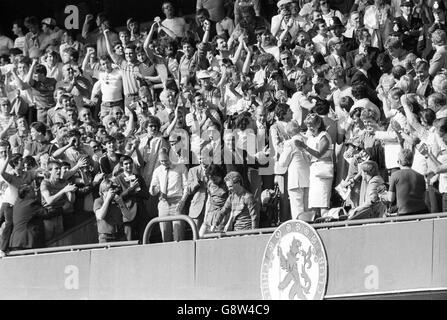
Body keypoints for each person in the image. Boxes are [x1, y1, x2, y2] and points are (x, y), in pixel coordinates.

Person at [295, 113, 334, 218]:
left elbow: (319, 153)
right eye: (308, 126)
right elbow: (309, 158)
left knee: (323, 201)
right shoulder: (311, 138)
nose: (310, 128)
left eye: (312, 125)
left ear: (318, 124)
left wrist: (304, 146)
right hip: (314, 170)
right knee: (313, 202)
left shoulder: (324, 136)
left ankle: (326, 223)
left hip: (323, 170)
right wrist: (302, 149)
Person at [149, 148, 188, 242]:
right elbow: (153, 190)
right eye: (161, 161)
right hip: (164, 203)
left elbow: (186, 186)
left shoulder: (181, 167)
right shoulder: (157, 171)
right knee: (165, 234)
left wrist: (183, 201)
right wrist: (153, 189)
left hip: (177, 202)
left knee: (178, 235)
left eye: (166, 160)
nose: (164, 163)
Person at [277, 120, 310, 220]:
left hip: (296, 180)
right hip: (308, 178)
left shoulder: (289, 143)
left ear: (288, 133)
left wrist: (281, 151)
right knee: (307, 208)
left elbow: (282, 163)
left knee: (297, 210)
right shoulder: (307, 139)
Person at [387, 149, 429, 215]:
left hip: (404, 213)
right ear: (412, 161)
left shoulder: (395, 175)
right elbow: (424, 197)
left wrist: (384, 196)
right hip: (421, 212)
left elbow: (391, 198)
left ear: (399, 161)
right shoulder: (420, 176)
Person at [8, 184, 45, 251]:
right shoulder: (31, 203)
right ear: (27, 193)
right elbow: (45, 213)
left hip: (15, 241)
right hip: (27, 241)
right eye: (33, 191)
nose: (35, 192)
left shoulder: (17, 203)